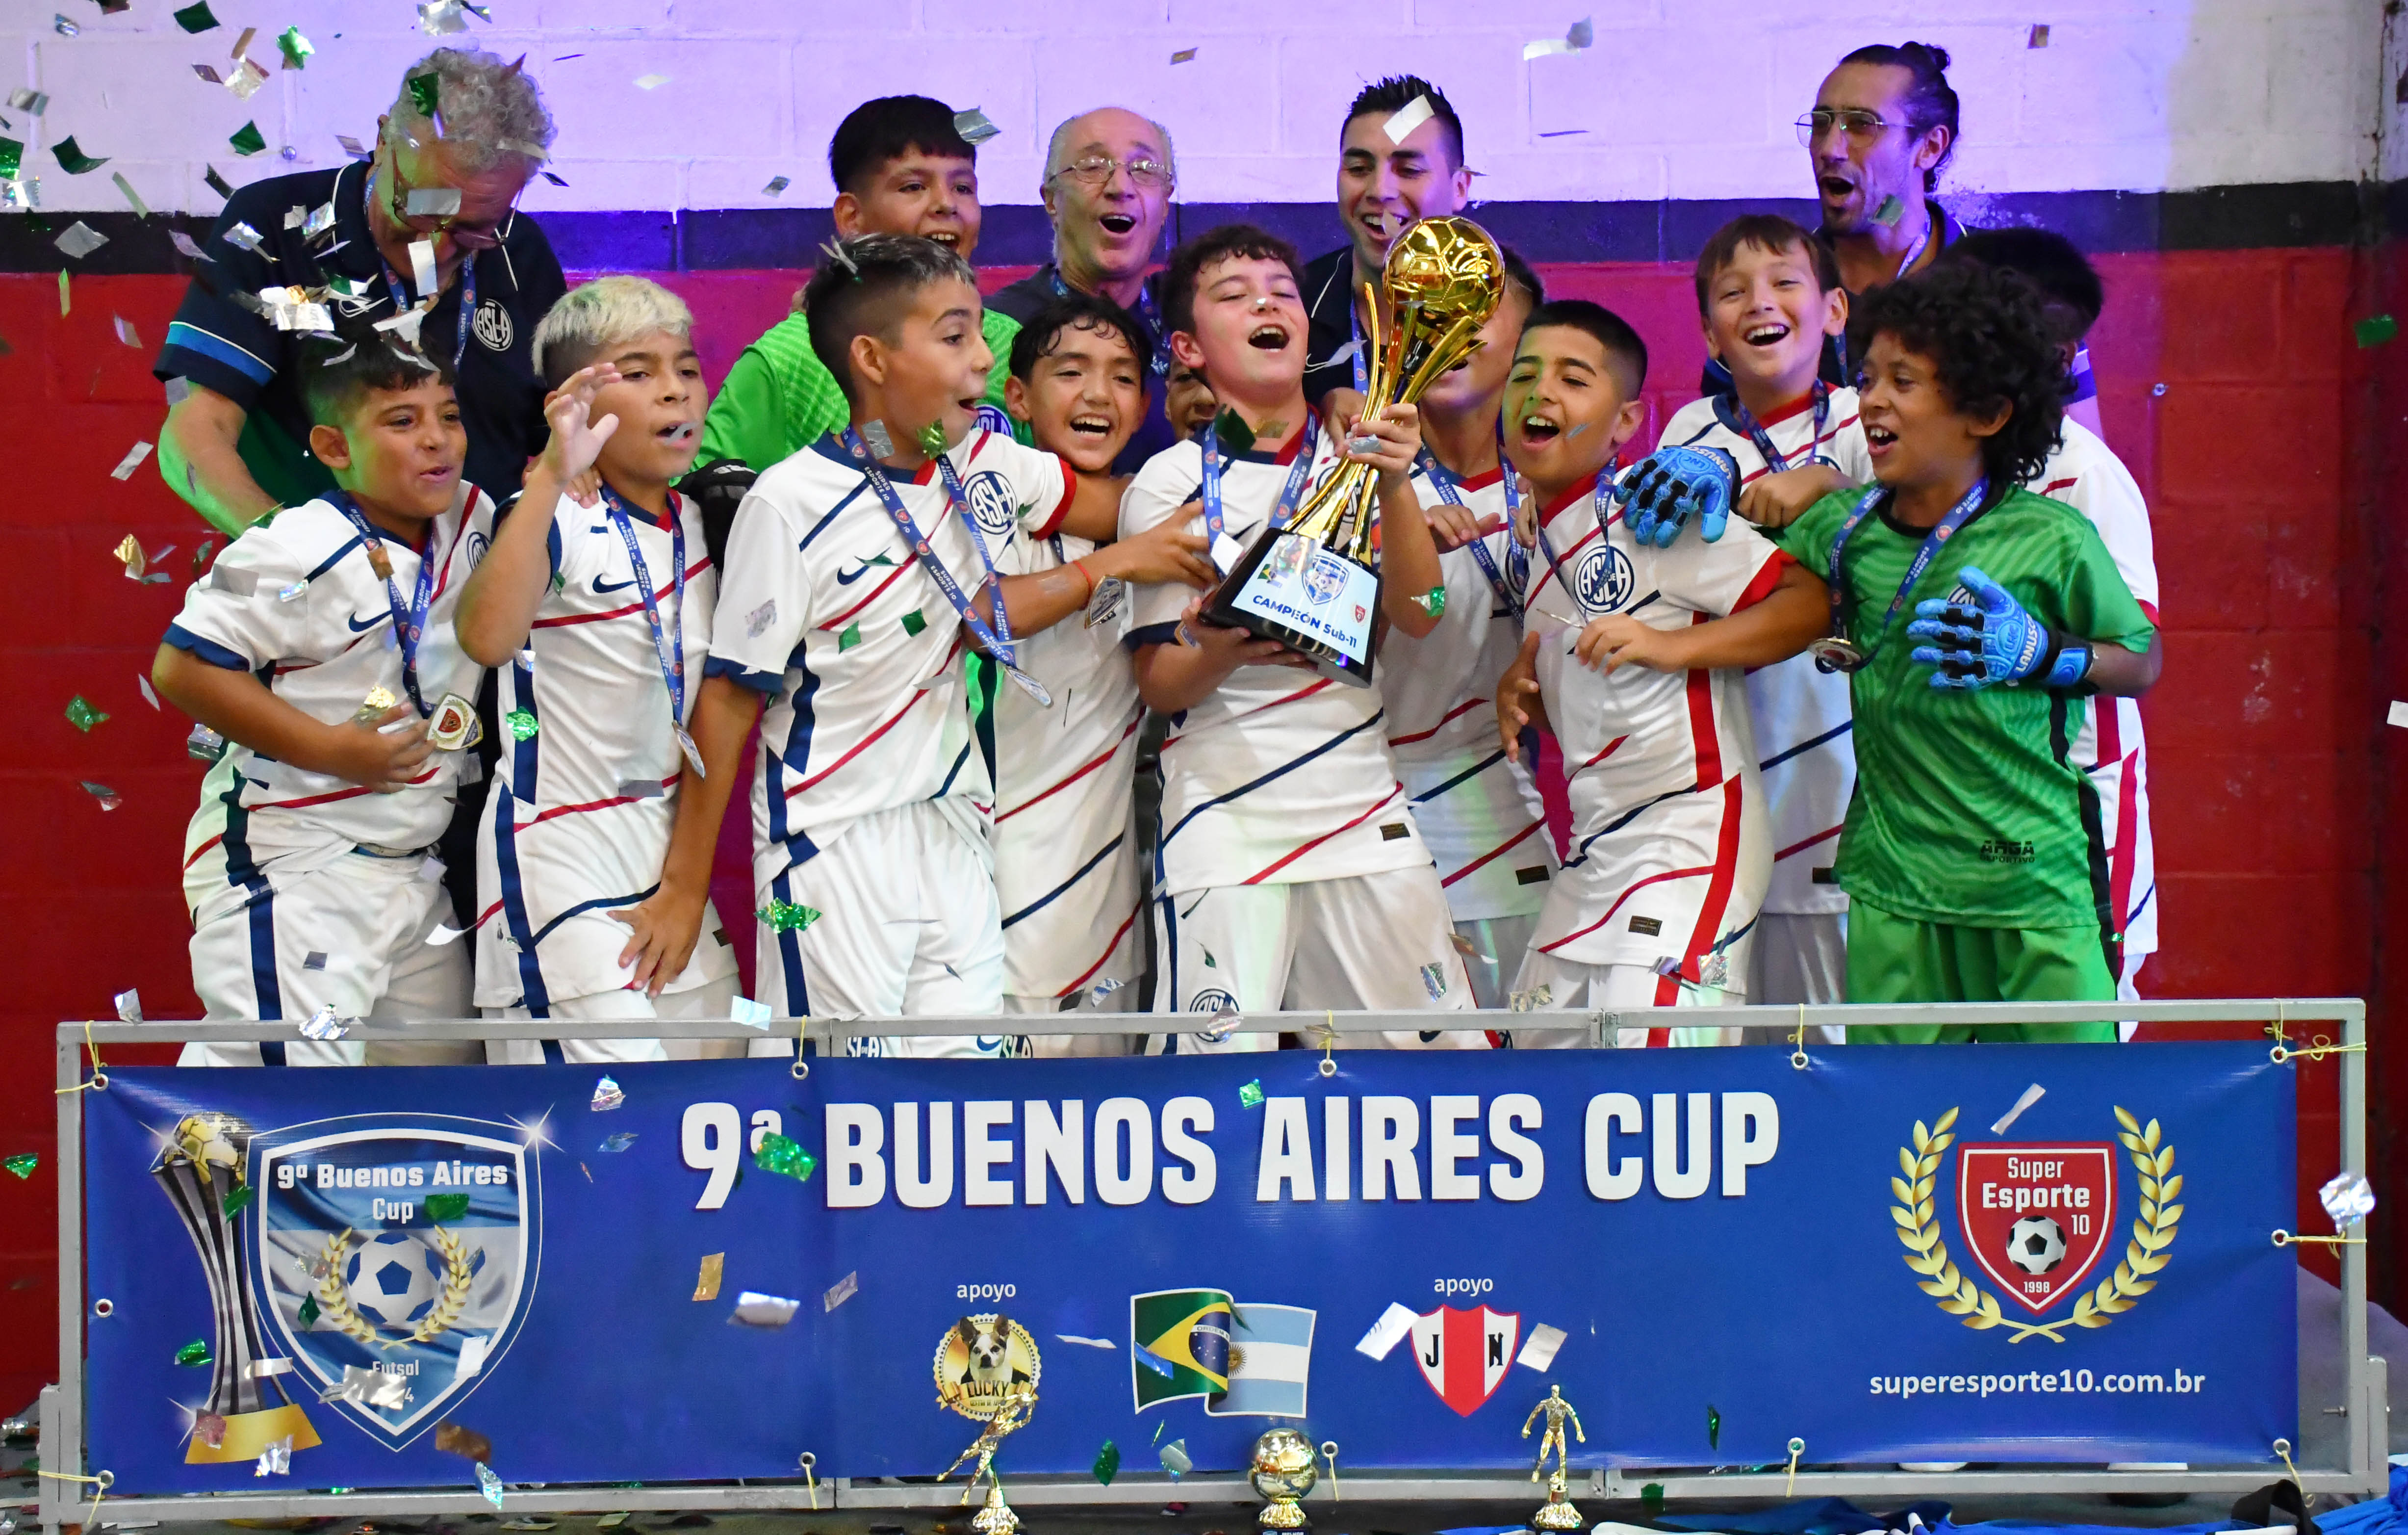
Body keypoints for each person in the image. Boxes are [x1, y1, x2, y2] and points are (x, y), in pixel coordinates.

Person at [652, 235, 1127, 1056]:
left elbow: (1118, 507)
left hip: (956, 831)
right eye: (954, 336)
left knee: (966, 1115)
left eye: (981, 332)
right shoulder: (790, 501)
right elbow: (729, 702)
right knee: (835, 1113)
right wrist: (685, 888)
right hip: (828, 852)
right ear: (872, 358)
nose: (983, 359)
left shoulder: (985, 461)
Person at [1751, 264, 2159, 1032]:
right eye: (1867, 375)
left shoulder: (2052, 537)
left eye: (1903, 381)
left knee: (2067, 1129)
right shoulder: (1843, 531)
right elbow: (1740, 544)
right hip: (1895, 891)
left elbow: (2141, 661)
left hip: (2033, 887)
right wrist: (1710, 475)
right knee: (1903, 1130)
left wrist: (2043, 654)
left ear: (1987, 413)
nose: (1869, 399)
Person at [1119, 223, 1477, 1050]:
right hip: (1224, 817)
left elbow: (1421, 610)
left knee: (1438, 1069)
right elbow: (1160, 685)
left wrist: (1394, 484)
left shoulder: (1376, 454)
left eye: (1282, 292)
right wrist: (1217, 645)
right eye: (1235, 296)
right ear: (1189, 347)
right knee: (1216, 1088)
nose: (1266, 304)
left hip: (1363, 809)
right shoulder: (1170, 482)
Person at [154, 334, 494, 1067]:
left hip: (413, 869)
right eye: (402, 422)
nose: (436, 440)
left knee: (447, 1116)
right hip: (296, 862)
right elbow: (182, 666)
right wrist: (334, 750)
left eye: (449, 415)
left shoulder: (474, 518)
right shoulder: (297, 545)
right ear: (334, 447)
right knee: (273, 1129)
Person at [1493, 302, 1827, 1044]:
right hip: (1594, 849)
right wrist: (1528, 694)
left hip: (1688, 838)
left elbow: (1809, 603)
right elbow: (1607, 687)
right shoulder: (1536, 541)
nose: (1540, 393)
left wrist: (1668, 646)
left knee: (1650, 1094)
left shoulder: (1653, 512)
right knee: (1532, 1061)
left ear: (1625, 422)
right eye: (1524, 375)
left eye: (1573, 379)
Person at [453, 277, 743, 1063]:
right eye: (638, 372)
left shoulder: (711, 522)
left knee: (710, 1101)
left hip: (670, 850)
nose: (675, 389)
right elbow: (485, 637)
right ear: (569, 400)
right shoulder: (553, 516)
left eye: (685, 367)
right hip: (561, 852)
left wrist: (685, 883)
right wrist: (550, 474)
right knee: (607, 1136)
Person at [155, 46, 563, 540]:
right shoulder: (273, 223)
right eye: (418, 210)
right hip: (308, 591)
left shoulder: (520, 251)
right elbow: (192, 432)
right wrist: (290, 552)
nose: (435, 250)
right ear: (383, 141)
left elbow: (562, 440)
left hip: (481, 587)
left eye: (471, 229)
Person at [1652, 214, 1870, 1009]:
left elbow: (1927, 525)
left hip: (1851, 776)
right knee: (1735, 1045)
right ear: (1710, 331)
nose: (1760, 303)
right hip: (1727, 774)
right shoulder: (1687, 433)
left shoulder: (1866, 420)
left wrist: (1829, 486)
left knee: (1837, 1040)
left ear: (1835, 310)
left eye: (1784, 282)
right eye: (1732, 292)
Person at [1938, 228, 2159, 1007]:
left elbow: (2137, 658)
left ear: (2058, 354)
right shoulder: (1934, 459)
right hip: (1961, 812)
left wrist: (2040, 653)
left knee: (2077, 1073)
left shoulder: (2089, 477)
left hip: (2073, 814)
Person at [991, 294, 1219, 1046]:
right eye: (1071, 372)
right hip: (990, 860)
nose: (1097, 394)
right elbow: (984, 614)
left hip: (1107, 871)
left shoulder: (1156, 515)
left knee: (1095, 1105)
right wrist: (1122, 558)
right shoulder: (985, 488)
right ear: (1016, 396)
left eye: (1122, 378)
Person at [1385, 247, 1556, 1009]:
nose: (1447, 329)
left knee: (1517, 1069)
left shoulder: (1561, 485)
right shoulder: (1349, 476)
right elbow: (1411, 621)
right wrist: (1401, 536)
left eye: (1475, 310)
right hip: (1368, 814)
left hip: (1499, 809)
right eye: (1425, 309)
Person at [697, 96, 1021, 474]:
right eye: (914, 187)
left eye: (963, 188)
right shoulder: (788, 361)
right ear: (852, 217)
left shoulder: (1007, 344)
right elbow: (698, 496)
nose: (946, 204)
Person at [1797, 42, 2105, 437]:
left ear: (1929, 146)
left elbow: (2081, 458)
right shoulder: (1779, 286)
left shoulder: (2012, 281)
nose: (1829, 148)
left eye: (1861, 125)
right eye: (1822, 123)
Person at [987, 107, 1184, 473]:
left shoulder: (1192, 322)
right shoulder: (997, 329)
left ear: (1165, 207)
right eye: (1093, 166)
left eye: (1144, 170)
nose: (1120, 187)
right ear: (1051, 201)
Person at [1301, 76, 1475, 416]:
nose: (1380, 190)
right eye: (1358, 168)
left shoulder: (1508, 317)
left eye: (1409, 170)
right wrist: (1317, 409)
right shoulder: (1294, 307)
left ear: (1460, 188)